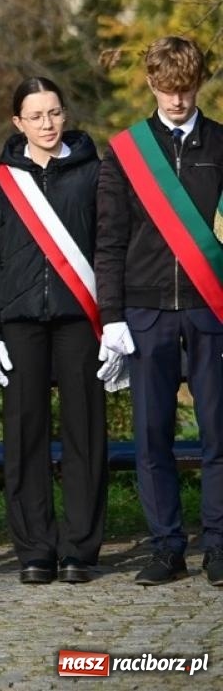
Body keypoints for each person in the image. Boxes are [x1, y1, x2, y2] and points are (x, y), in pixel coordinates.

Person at [95, 36, 223, 587]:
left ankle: (218, 546)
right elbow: (109, 239)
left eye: (186, 89)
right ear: (151, 84)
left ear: (199, 85)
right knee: (153, 435)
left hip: (210, 308)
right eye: (167, 89)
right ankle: (166, 547)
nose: (177, 100)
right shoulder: (126, 152)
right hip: (146, 309)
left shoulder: (221, 142)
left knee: (218, 432)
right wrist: (111, 316)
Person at [0, 77, 111, 585]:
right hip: (19, 321)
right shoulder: (2, 183)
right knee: (25, 436)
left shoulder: (95, 174)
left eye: (55, 113)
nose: (48, 124)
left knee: (85, 434)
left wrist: (114, 322)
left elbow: (109, 252)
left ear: (65, 114)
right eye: (36, 116)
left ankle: (80, 548)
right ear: (18, 123)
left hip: (81, 318)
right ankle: (34, 548)